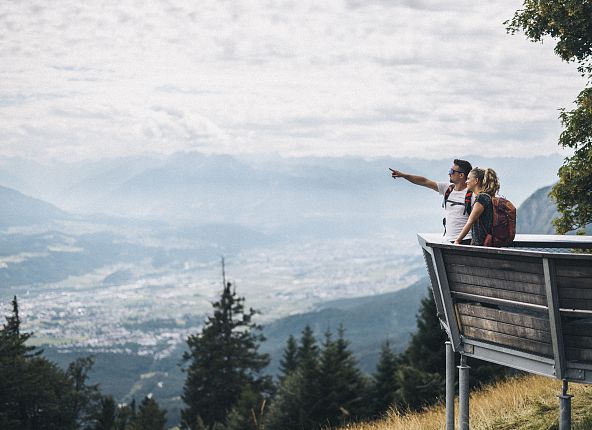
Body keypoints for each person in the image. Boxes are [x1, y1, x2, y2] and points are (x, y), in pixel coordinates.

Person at [390, 159, 474, 244]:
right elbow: (424, 181)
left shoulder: (472, 195)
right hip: (449, 240)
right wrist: (403, 175)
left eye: (452, 171)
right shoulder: (448, 189)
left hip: (466, 240)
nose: (449, 173)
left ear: (461, 175)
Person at [454, 167, 500, 246]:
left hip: (480, 245)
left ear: (476, 181)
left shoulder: (481, 198)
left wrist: (457, 241)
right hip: (487, 244)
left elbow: (470, 222)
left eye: (468, 178)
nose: (466, 181)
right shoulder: (488, 196)